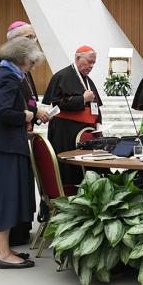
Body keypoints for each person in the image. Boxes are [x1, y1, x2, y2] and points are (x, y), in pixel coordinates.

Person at [0, 21, 49, 249]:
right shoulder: (7, 74)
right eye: (29, 38)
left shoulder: (8, 71)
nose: (32, 67)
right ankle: (2, 252)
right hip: (4, 143)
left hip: (7, 141)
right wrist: (28, 115)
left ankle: (5, 248)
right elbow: (2, 111)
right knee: (3, 196)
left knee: (6, 196)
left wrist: (31, 113)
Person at [42, 45, 103, 185]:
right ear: (77, 58)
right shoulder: (62, 76)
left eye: (94, 62)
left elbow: (95, 106)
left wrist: (98, 122)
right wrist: (82, 99)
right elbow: (58, 103)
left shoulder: (88, 81)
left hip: (87, 132)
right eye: (89, 61)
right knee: (68, 171)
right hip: (65, 132)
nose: (92, 65)